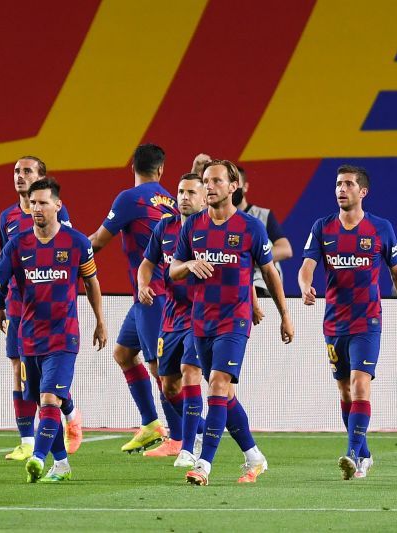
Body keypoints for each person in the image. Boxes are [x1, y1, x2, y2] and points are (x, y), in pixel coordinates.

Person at [170, 159, 294, 485]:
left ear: (233, 186)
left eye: (215, 181)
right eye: (206, 181)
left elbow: (268, 273)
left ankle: (204, 465)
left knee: (217, 386)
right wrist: (189, 266)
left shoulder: (251, 227)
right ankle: (254, 456)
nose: (208, 187)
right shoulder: (193, 226)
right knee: (224, 394)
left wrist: (284, 315)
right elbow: (173, 269)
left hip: (235, 319)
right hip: (201, 320)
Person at [0, 178, 107, 483]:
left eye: (43, 202)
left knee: (49, 399)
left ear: (57, 206)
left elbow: (90, 282)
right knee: (42, 401)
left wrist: (100, 321)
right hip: (29, 337)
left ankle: (37, 458)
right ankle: (61, 463)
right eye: (33, 202)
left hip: (64, 335)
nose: (36, 208)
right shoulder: (18, 244)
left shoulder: (77, 243)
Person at [298, 164, 397, 480]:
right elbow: (307, 265)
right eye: (338, 184)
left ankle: (351, 454)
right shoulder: (322, 227)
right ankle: (363, 454)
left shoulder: (380, 228)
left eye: (348, 184)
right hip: (334, 323)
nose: (341, 189)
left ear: (362, 192)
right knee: (345, 393)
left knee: (360, 385)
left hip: (368, 321)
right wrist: (304, 285)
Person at [88, 143, 178, 453]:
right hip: (151, 295)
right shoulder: (171, 199)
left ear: (133, 167)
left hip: (154, 297)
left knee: (160, 369)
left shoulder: (130, 198)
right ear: (161, 169)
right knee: (124, 353)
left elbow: (98, 241)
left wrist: (64, 253)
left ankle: (180, 437)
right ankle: (151, 425)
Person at [0, 156, 82, 461]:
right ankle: (27, 441)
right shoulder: (7, 217)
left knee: (48, 380)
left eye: (27, 171)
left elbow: (69, 254)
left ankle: (68, 413)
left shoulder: (57, 213)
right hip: (18, 306)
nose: (20, 176)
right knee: (19, 372)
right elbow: (2, 263)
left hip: (50, 308)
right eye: (17, 171)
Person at [137, 173, 206, 461]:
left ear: (204, 197)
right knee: (168, 384)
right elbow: (146, 264)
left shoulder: (211, 228)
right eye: (180, 191)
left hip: (201, 315)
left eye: (191, 192)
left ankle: (189, 447)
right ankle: (203, 428)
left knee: (191, 374)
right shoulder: (164, 227)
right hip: (171, 316)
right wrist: (142, 284)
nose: (184, 197)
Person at [233, 166, 293, 296]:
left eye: (236, 183)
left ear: (245, 187)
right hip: (231, 286)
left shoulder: (262, 215)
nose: (233, 188)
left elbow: (285, 250)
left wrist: (248, 258)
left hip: (260, 286)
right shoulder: (219, 219)